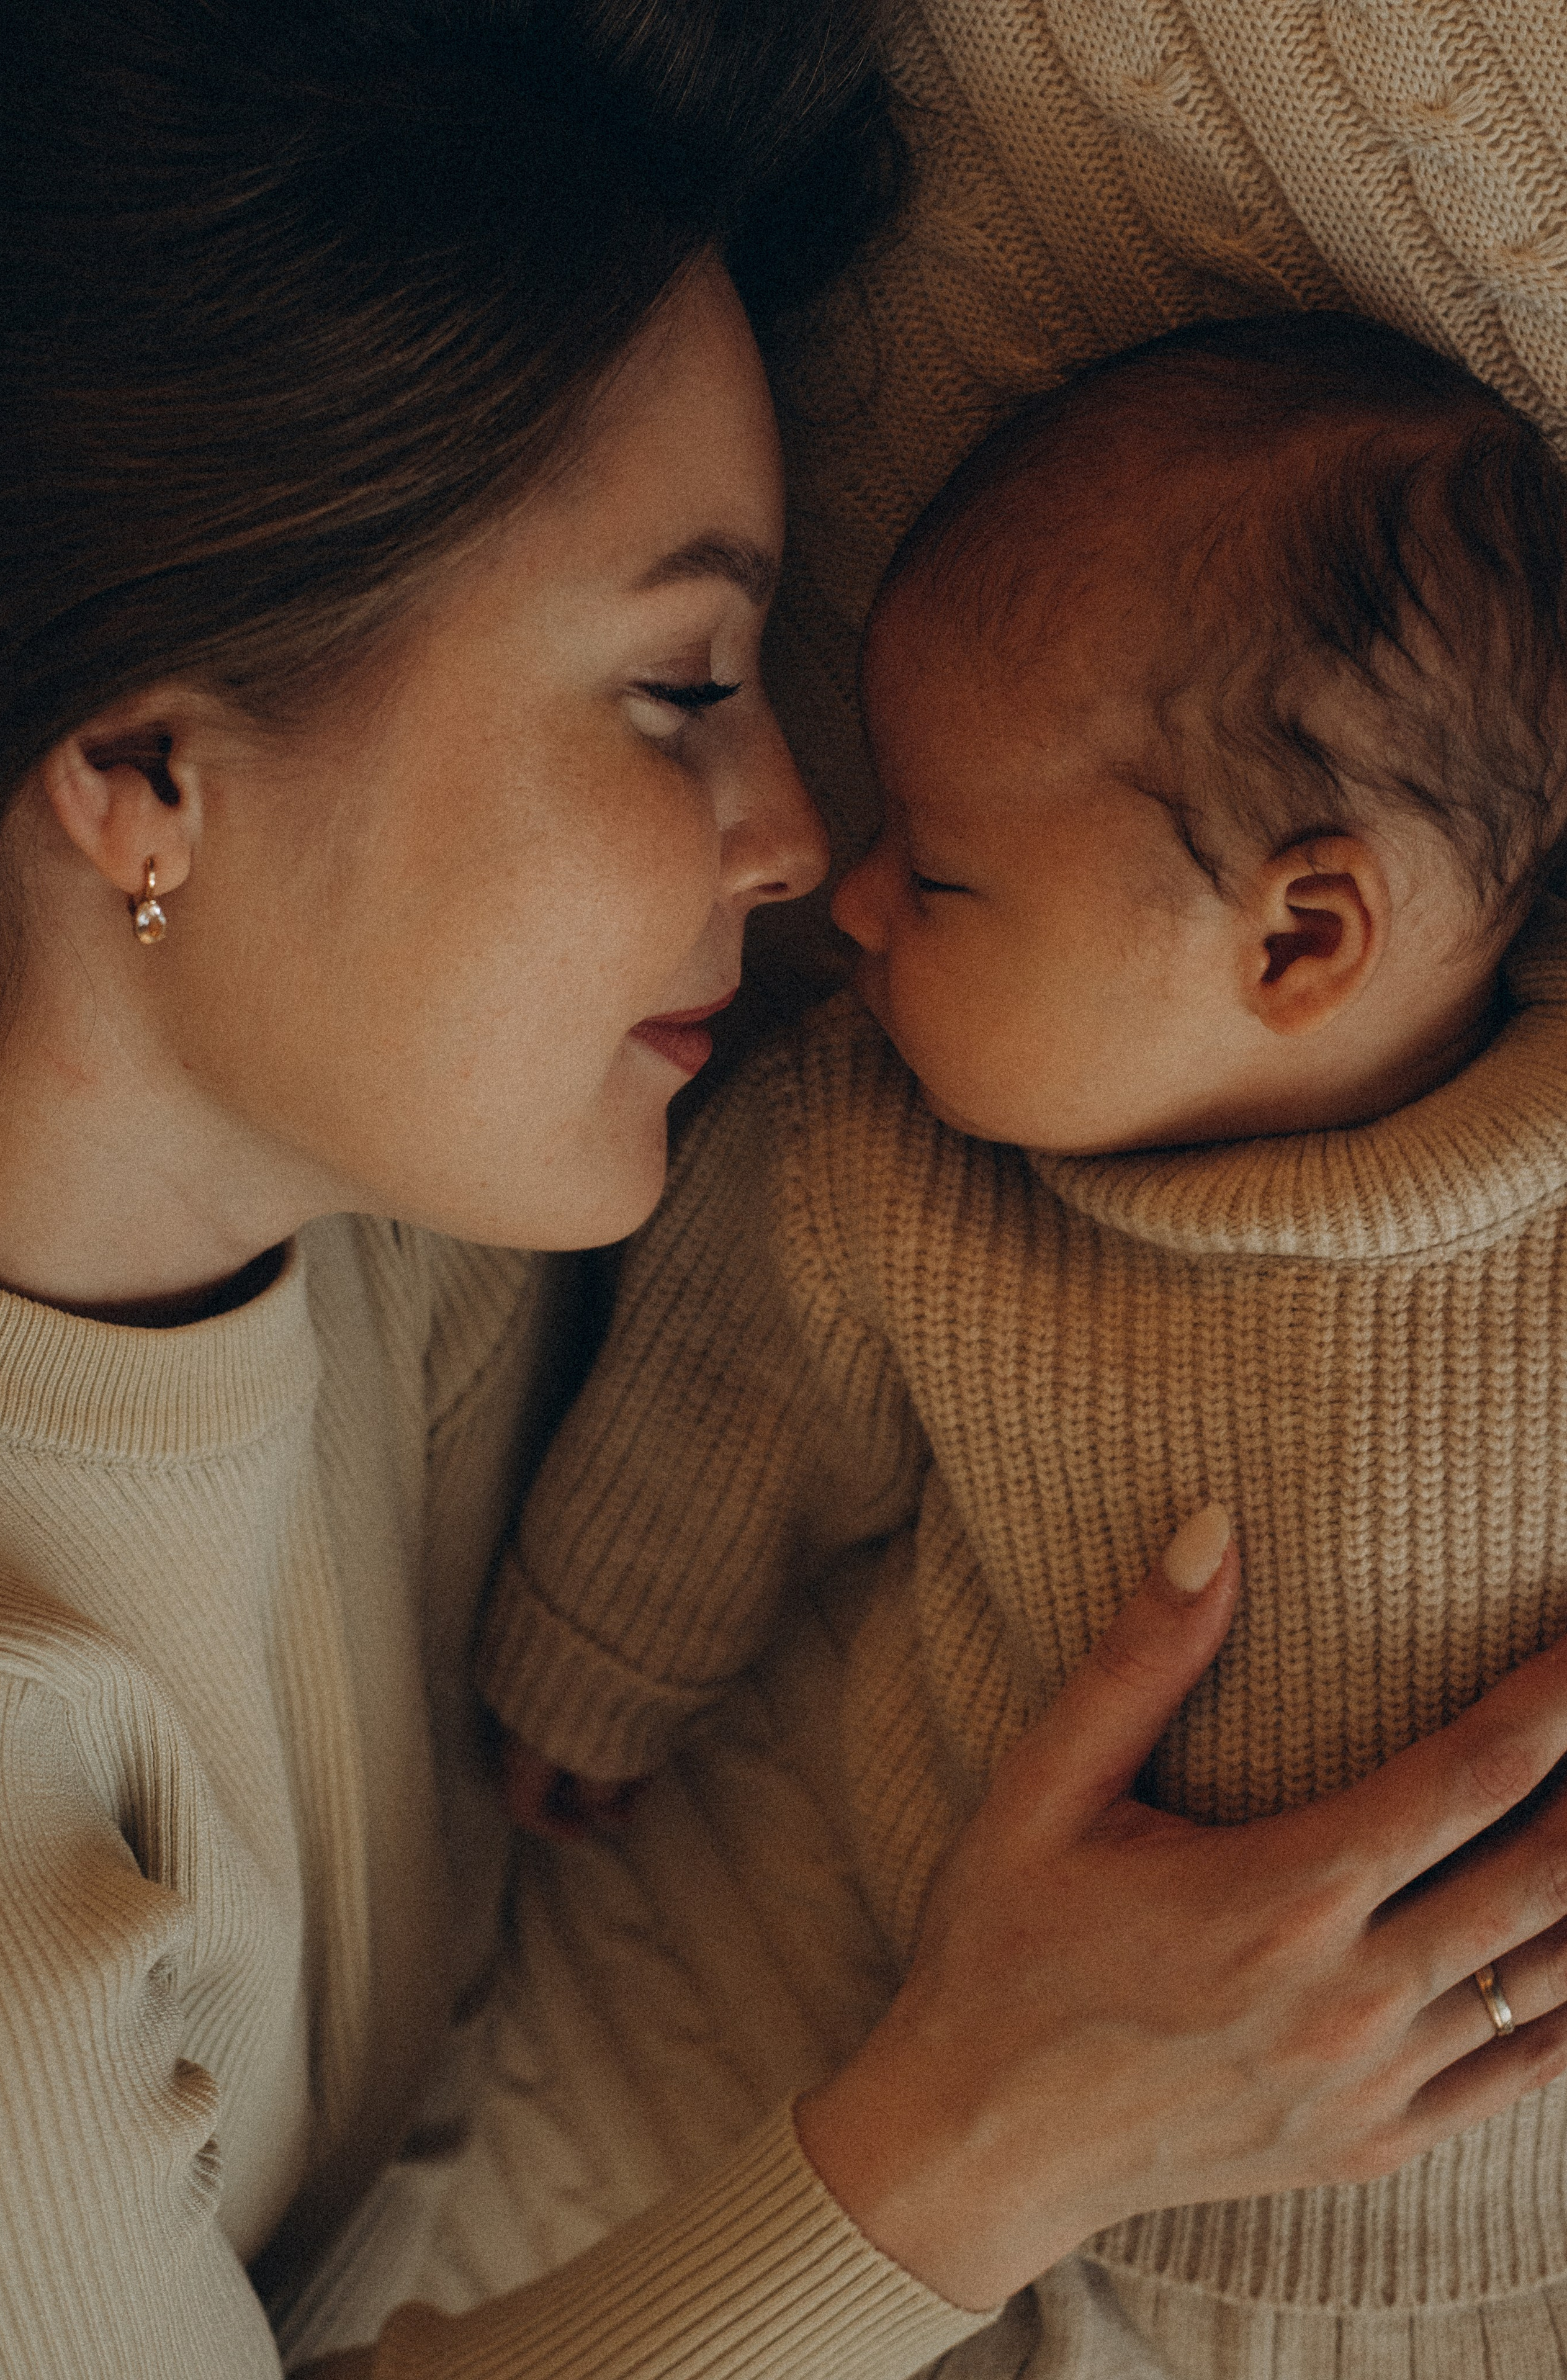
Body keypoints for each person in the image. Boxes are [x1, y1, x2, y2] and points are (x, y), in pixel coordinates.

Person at [0, 2, 1567, 2373]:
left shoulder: (418, 1207)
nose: (805, 841)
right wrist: (985, 2135)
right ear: (143, 764)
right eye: (679, 686)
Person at [483, 312, 1567, 2376]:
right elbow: (723, 1408)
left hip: (1522, 2196)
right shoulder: (882, 1171)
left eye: (944, 867)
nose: (854, 898)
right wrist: (601, 1654)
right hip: (1039, 2144)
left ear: (1300, 937)